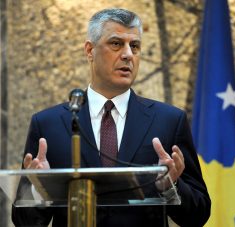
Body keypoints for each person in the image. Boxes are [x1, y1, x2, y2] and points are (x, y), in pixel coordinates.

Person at [12, 8, 211, 227]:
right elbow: (24, 222)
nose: (128, 54)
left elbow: (198, 215)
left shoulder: (169, 120)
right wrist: (40, 189)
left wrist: (170, 185)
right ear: (90, 51)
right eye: (116, 44)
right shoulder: (48, 125)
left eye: (134, 46)